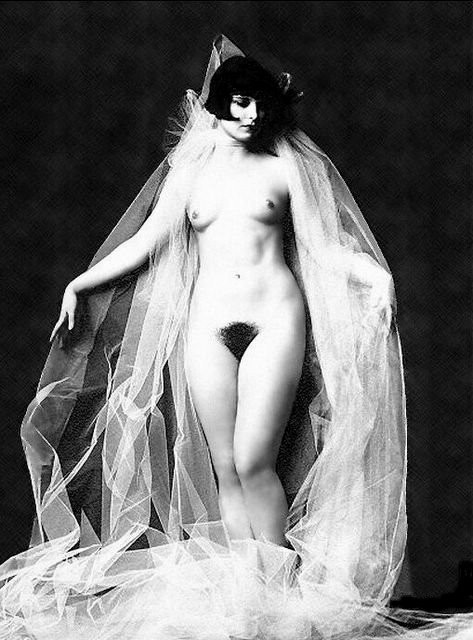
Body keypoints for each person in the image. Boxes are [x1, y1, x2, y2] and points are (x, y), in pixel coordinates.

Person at [3, 34, 471, 640]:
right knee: (227, 466)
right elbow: (146, 242)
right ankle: (249, 600)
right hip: (207, 325)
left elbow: (323, 245)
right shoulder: (189, 174)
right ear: (216, 106)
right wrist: (78, 283)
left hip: (275, 318)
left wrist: (374, 275)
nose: (251, 116)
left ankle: (282, 599)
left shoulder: (285, 168)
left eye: (259, 105)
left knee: (254, 461)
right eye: (239, 104)